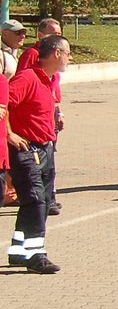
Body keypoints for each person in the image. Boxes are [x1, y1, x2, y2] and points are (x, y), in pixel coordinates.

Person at [7, 34, 70, 273]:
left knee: (36, 202)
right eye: (67, 52)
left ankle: (19, 250)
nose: (69, 57)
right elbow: (4, 105)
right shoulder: (27, 78)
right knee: (36, 201)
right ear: (56, 53)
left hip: (45, 148)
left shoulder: (48, 80)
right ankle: (35, 254)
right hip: (26, 149)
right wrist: (10, 134)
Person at [18, 18, 65, 214]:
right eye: (52, 33)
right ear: (40, 35)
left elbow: (53, 87)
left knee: (50, 156)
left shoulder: (56, 60)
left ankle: (49, 198)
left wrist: (58, 110)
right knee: (39, 163)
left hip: (49, 111)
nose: (57, 37)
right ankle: (41, 200)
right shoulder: (33, 55)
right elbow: (25, 86)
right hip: (33, 120)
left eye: (59, 33)